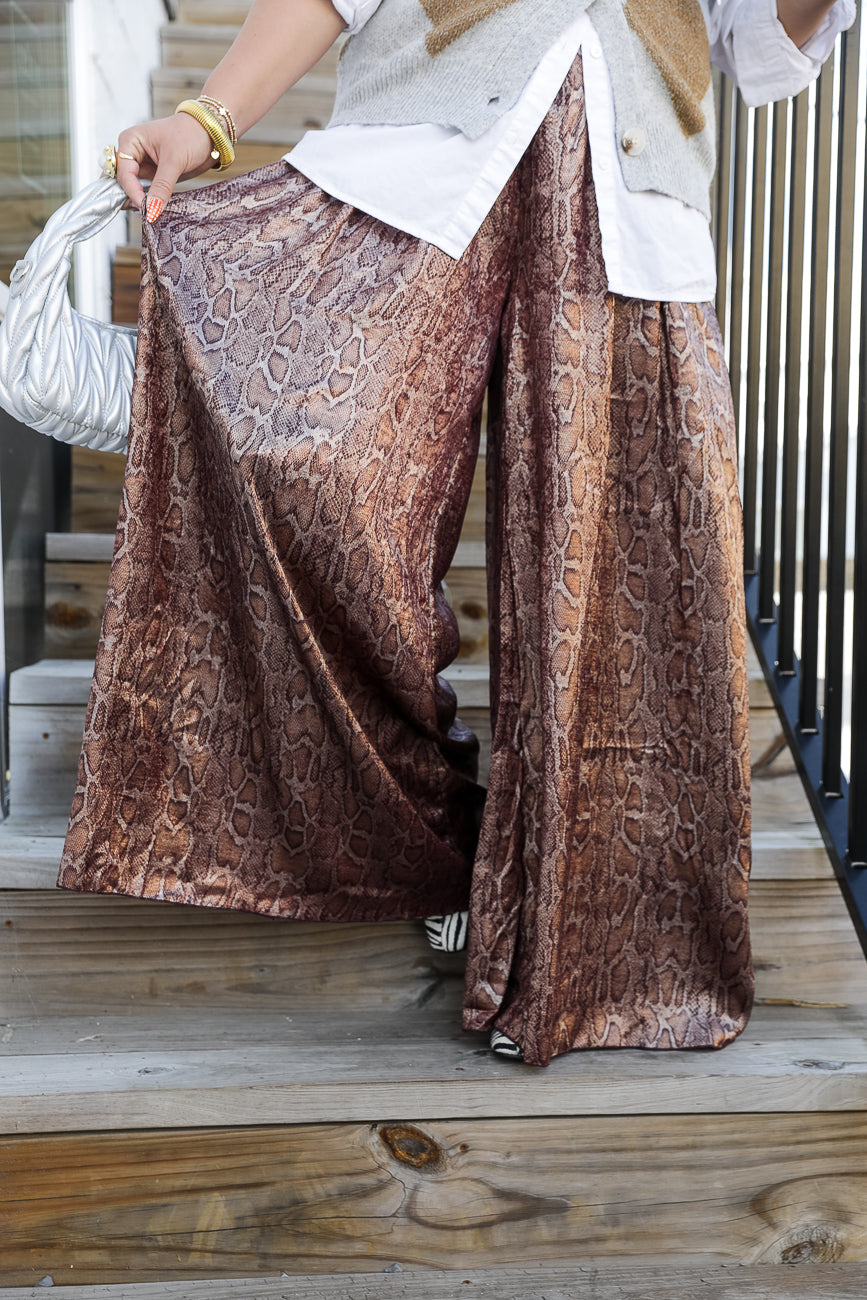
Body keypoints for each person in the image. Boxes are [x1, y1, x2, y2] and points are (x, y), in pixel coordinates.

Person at [56, 0, 853, 1066]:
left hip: (635, 215)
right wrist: (209, 117)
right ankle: (436, 839)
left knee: (630, 606)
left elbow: (761, 45)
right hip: (416, 175)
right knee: (318, 480)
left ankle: (598, 959)